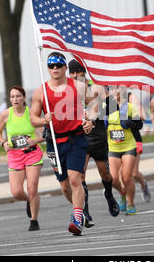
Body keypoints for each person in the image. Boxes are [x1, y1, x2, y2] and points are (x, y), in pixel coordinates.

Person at [30, 52, 94, 236]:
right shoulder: (40, 91)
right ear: (48, 69)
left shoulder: (78, 86)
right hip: (54, 143)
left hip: (76, 138)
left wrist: (91, 121)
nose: (55, 68)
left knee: (75, 179)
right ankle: (79, 211)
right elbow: (33, 119)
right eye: (51, 65)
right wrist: (44, 120)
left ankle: (77, 218)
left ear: (65, 67)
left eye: (59, 65)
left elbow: (95, 104)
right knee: (65, 186)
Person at [68, 59, 119, 224]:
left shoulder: (96, 87)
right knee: (79, 175)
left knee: (104, 173)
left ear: (85, 71)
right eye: (72, 72)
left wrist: (93, 117)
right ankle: (86, 212)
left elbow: (114, 107)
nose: (76, 75)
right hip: (78, 137)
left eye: (78, 72)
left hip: (97, 136)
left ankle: (109, 194)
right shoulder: (67, 90)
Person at [0, 85, 44, 231]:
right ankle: (30, 200)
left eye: (18, 96)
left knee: (32, 188)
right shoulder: (5, 114)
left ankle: (34, 220)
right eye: (12, 97)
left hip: (32, 153)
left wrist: (35, 140)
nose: (15, 99)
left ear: (23, 98)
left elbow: (44, 135)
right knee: (16, 192)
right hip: (14, 155)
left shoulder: (31, 114)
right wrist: (3, 142)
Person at [105, 85, 143, 215]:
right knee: (114, 179)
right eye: (112, 89)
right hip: (113, 147)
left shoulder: (130, 106)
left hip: (128, 146)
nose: (115, 91)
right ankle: (122, 193)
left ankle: (131, 203)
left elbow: (140, 125)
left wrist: (130, 122)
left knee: (127, 177)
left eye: (117, 88)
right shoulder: (107, 107)